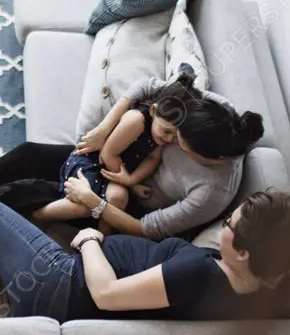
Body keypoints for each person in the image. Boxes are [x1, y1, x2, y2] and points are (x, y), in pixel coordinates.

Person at [0, 76, 264, 240]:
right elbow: (147, 86)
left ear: (208, 156)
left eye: (180, 140)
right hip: (114, 160)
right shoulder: (214, 111)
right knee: (28, 154)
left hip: (120, 203)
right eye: (173, 132)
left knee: (29, 189)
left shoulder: (212, 191)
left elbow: (148, 231)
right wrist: (106, 128)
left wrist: (95, 202)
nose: (173, 137)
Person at [0, 191, 290, 322]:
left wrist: (89, 239)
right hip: (68, 288)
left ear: (246, 251)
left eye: (229, 229)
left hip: (63, 286)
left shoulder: (196, 274)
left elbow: (105, 294)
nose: (224, 229)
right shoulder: (266, 285)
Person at [37, 73, 196, 228]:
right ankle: (38, 216)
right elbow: (108, 153)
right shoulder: (136, 120)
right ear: (153, 111)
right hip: (92, 161)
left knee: (118, 198)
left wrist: (132, 180)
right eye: (167, 132)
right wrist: (129, 184)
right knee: (86, 206)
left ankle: (100, 238)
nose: (169, 140)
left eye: (175, 137)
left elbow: (153, 159)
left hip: (114, 173)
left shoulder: (160, 135)